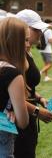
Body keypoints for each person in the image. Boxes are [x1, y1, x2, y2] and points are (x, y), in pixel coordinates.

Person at [14, 9, 52, 158]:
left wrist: (39, 98)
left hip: (27, 116)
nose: (40, 33)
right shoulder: (16, 56)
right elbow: (13, 96)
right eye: (36, 29)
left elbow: (25, 87)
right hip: (18, 119)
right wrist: (37, 111)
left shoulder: (27, 52)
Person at [0, 17, 29, 157]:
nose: (28, 45)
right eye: (25, 40)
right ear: (15, 41)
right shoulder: (13, 74)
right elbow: (23, 122)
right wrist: (15, 114)